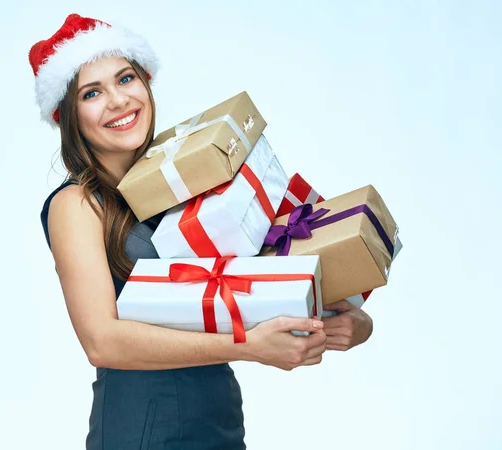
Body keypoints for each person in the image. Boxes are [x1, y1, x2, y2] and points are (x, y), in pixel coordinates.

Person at [30, 13, 373, 449]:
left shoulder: (182, 179)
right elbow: (102, 341)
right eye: (92, 92)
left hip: (218, 419)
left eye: (126, 78)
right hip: (143, 430)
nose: (117, 100)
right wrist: (248, 346)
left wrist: (346, 318)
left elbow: (259, 275)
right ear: (69, 117)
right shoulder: (76, 204)